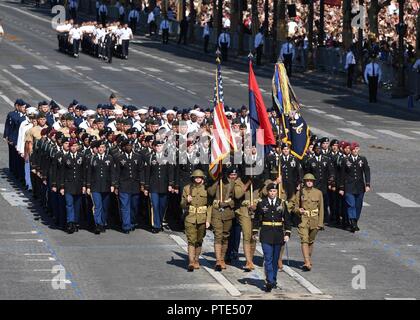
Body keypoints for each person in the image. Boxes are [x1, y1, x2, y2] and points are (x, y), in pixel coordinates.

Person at [253, 183, 292, 292]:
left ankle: (273, 279)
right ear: (268, 192)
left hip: (278, 234)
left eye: (274, 191)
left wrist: (287, 233)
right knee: (268, 258)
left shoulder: (282, 203)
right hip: (266, 233)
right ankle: (269, 280)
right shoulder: (262, 203)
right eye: (270, 191)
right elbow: (256, 219)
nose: (272, 193)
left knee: (275, 260)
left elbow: (287, 220)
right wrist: (255, 231)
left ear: (277, 192)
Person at [112, 139, 145, 234]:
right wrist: (116, 186)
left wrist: (142, 184)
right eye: (127, 146)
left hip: (135, 185)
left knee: (134, 206)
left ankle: (132, 222)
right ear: (124, 147)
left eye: (131, 145)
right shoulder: (119, 157)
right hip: (124, 185)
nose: (129, 147)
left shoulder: (137, 157)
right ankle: (126, 226)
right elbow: (116, 172)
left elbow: (141, 171)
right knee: (125, 206)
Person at [292, 174, 324, 272]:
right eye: (307, 180)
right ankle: (306, 261)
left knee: (310, 241)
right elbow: (294, 206)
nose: (309, 182)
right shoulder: (299, 193)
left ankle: (308, 259)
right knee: (304, 240)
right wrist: (298, 210)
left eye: (311, 180)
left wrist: (320, 223)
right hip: (303, 220)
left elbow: (321, 208)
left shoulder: (318, 193)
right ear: (304, 182)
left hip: (314, 220)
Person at [207, 167, 237, 271]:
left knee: (225, 235)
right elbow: (210, 193)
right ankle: (218, 260)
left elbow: (236, 198)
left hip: (228, 212)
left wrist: (228, 203)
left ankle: (223, 258)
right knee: (218, 235)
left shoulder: (233, 184)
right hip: (216, 212)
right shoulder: (216, 182)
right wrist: (216, 182)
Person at [180, 170, 210, 272]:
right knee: (191, 240)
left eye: (200, 177)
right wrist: (186, 201)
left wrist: (208, 220)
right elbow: (182, 204)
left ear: (202, 178)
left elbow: (209, 206)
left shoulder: (207, 189)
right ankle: (191, 262)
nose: (198, 179)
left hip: (202, 218)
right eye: (196, 177)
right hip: (190, 217)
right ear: (193, 178)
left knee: (199, 240)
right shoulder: (187, 188)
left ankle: (196, 259)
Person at [339, 142, 370, 233]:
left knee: (358, 205)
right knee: (351, 204)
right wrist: (341, 188)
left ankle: (355, 221)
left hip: (360, 186)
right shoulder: (346, 160)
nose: (355, 151)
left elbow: (366, 172)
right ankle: (352, 222)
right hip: (349, 186)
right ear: (351, 151)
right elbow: (342, 175)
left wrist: (367, 184)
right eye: (353, 149)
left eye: (357, 149)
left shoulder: (362, 159)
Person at [86, 140, 114, 235]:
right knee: (97, 206)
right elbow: (89, 173)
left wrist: (113, 185)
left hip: (106, 186)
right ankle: (97, 224)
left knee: (105, 206)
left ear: (105, 149)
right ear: (97, 149)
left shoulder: (109, 158)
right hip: (95, 186)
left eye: (103, 147)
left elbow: (112, 172)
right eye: (99, 148)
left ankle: (103, 222)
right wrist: (88, 186)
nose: (101, 149)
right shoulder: (92, 158)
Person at [59, 140, 84, 234]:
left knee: (77, 205)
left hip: (78, 185)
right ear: (69, 147)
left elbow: (84, 172)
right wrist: (61, 186)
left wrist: (85, 185)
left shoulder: (81, 157)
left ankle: (76, 222)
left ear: (77, 147)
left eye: (75, 146)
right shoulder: (65, 157)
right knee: (69, 204)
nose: (73, 147)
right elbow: (62, 173)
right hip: (68, 185)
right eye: (72, 146)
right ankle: (70, 222)